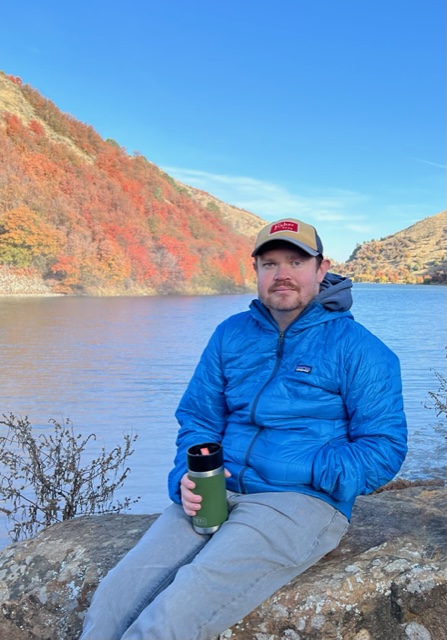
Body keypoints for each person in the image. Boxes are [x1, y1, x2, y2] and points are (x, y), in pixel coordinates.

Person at [80, 217, 407, 640]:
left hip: (299, 502)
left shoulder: (361, 348)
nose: (282, 274)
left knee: (170, 619)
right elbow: (199, 416)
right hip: (218, 490)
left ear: (321, 269)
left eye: (296, 261)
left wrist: (310, 469)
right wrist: (188, 474)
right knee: (111, 602)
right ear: (255, 271)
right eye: (270, 263)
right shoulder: (230, 334)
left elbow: (384, 447)